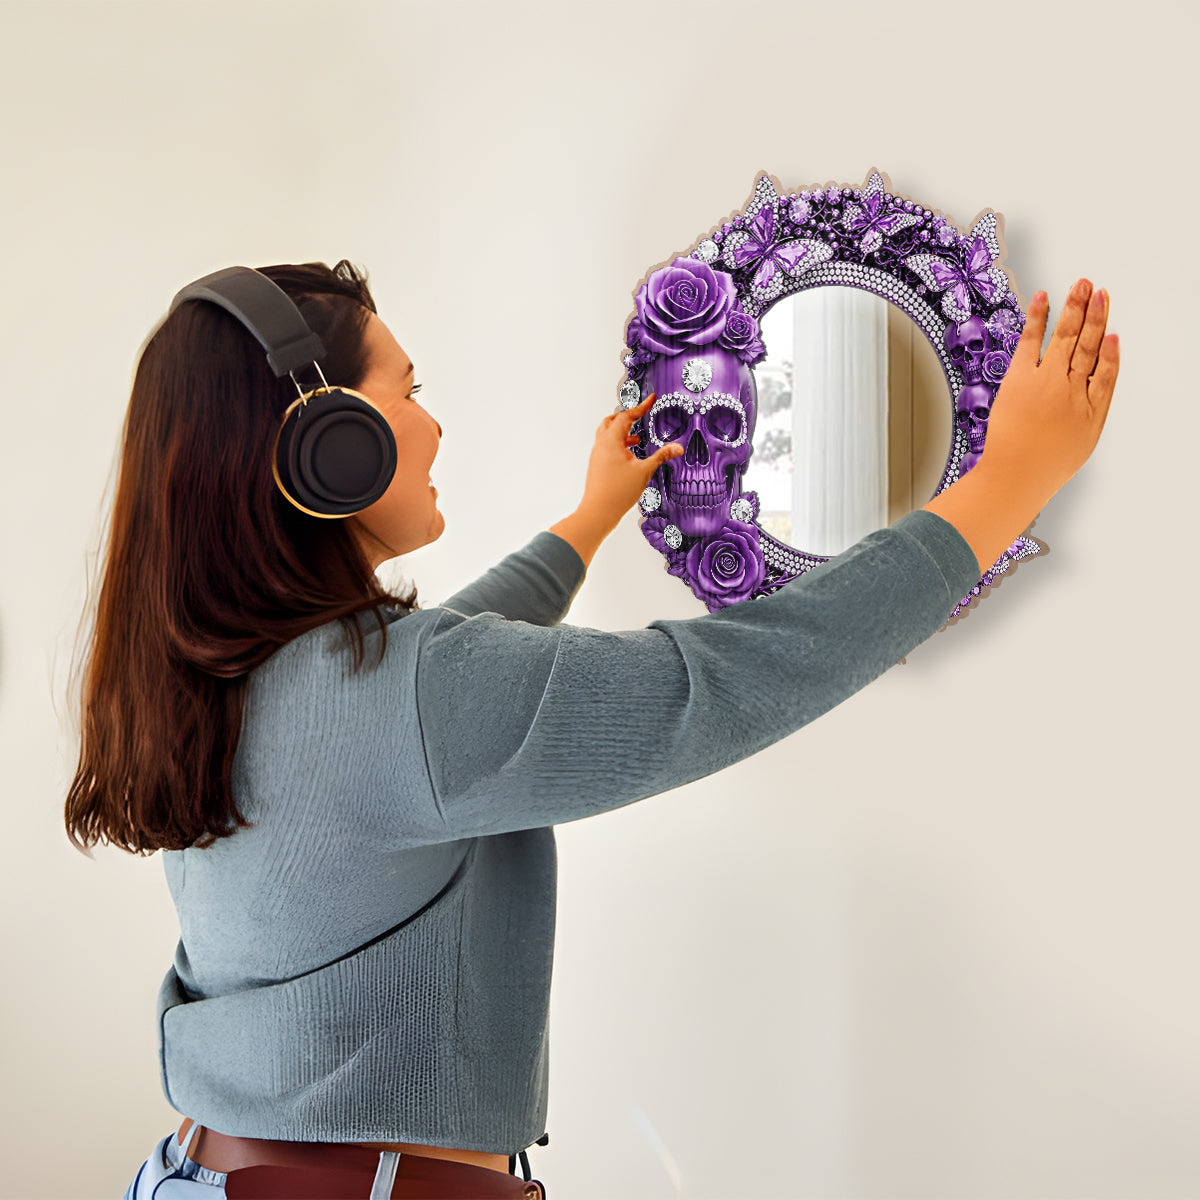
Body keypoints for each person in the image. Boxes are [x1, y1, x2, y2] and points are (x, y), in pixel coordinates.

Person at [66, 262, 1117, 1199]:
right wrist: (1010, 481)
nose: (433, 424)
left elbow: (437, 687)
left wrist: (588, 520)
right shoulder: (415, 698)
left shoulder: (231, 677)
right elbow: (737, 675)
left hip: (199, 1173)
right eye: (408, 391)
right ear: (326, 445)